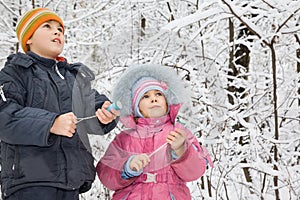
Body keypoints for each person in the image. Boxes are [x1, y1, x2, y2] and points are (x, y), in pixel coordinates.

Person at [0, 7, 120, 200]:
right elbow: (4, 117)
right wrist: (51, 123)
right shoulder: (14, 73)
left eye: (60, 29)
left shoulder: (72, 78)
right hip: (29, 183)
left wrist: (104, 112)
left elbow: (91, 108)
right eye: (47, 26)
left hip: (71, 184)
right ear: (28, 39)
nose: (57, 32)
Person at [96, 64, 213, 199]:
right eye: (145, 96)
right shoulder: (124, 138)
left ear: (167, 101)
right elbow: (105, 173)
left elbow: (195, 172)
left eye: (158, 94)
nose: (154, 98)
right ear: (135, 106)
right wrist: (127, 168)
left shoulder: (180, 133)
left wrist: (181, 150)